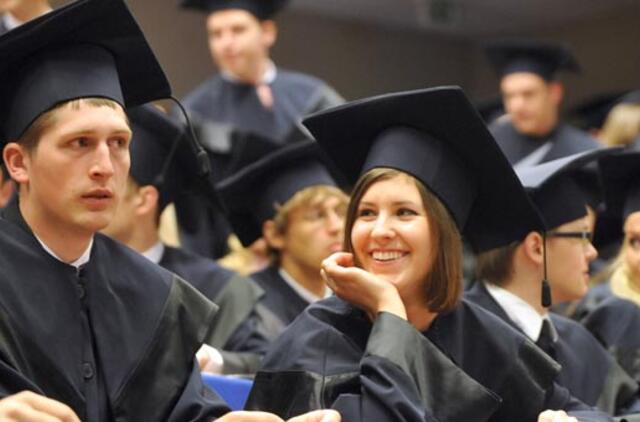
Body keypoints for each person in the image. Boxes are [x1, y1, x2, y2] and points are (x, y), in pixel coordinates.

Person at [0, 1, 340, 421]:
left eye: (119, 143)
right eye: (80, 143)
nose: (105, 166)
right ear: (18, 163)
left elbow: (187, 412)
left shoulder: (149, 294)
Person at [246, 87, 613, 421]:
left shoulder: (479, 335)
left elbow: (573, 407)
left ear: (444, 235)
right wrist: (388, 309)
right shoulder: (316, 341)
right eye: (366, 213)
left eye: (404, 212)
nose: (380, 230)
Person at [468, 149, 640, 416]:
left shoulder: (578, 342)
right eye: (582, 236)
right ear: (536, 247)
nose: (593, 253)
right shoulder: (463, 336)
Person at [101, 104, 270, 375]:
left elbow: (262, 364)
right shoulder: (70, 273)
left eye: (112, 180)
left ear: (145, 200)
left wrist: (216, 360)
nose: (95, 187)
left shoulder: (215, 288)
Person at [175, 0, 344, 259]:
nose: (226, 43)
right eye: (216, 34)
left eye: (237, 30)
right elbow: (194, 212)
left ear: (267, 32)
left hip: (324, 249)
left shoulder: (314, 95)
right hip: (241, 256)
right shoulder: (194, 114)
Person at [216, 140, 348, 341]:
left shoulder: (354, 298)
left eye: (340, 212)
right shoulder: (250, 303)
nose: (336, 226)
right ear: (275, 235)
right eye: (317, 216)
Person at [485, 39, 600, 169]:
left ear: (555, 93)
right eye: (509, 96)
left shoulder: (585, 152)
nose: (517, 106)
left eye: (528, 94)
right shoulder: (490, 144)